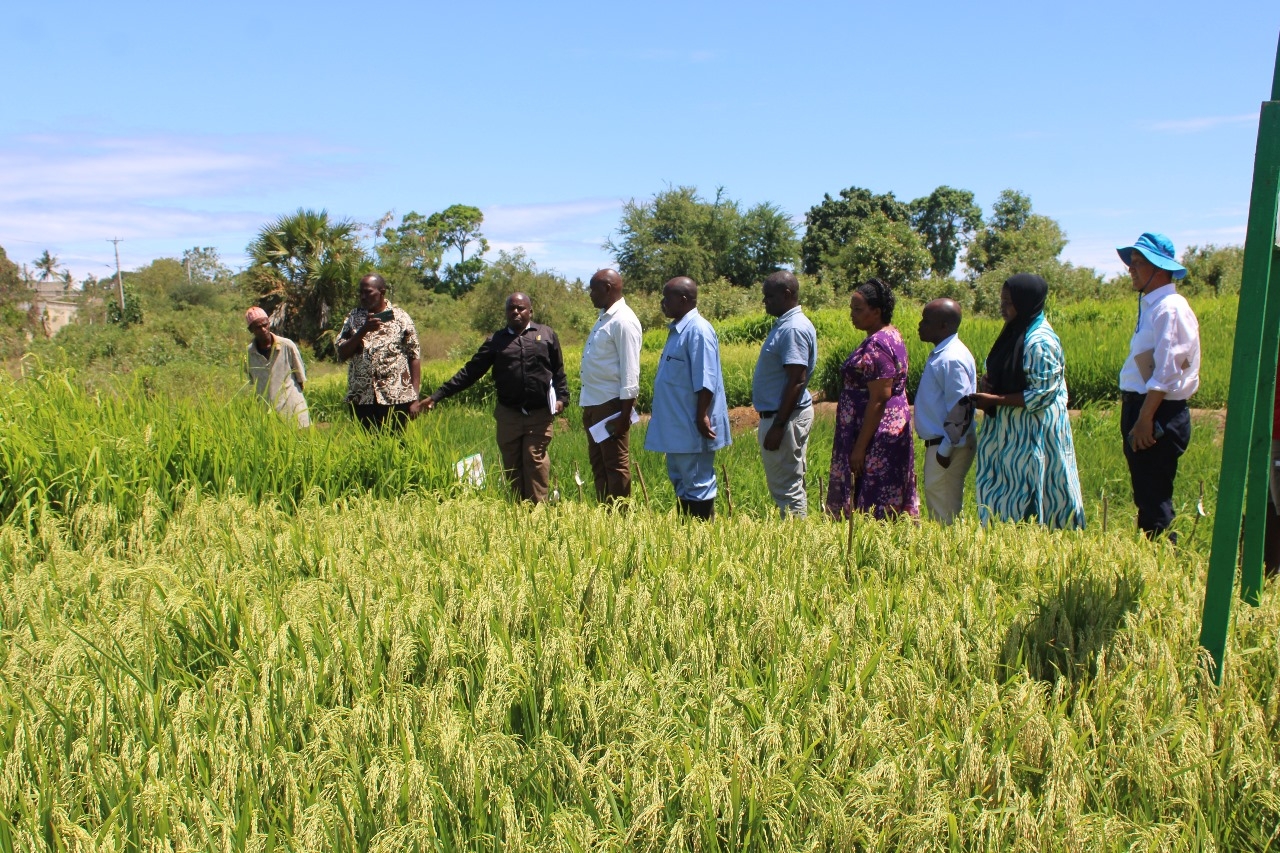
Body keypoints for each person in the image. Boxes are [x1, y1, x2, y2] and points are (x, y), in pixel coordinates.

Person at [416, 292, 569, 504]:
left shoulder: (546, 335)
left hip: (539, 413)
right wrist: (437, 396)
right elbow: (470, 372)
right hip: (509, 414)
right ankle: (517, 510)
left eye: (521, 308)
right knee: (512, 463)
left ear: (530, 311)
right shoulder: (496, 341)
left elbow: (558, 371)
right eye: (511, 308)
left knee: (534, 458)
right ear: (506, 312)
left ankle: (538, 511)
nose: (516, 312)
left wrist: (562, 398)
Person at [970, 273, 1084, 529]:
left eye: (1009, 302)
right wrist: (990, 383)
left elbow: (1041, 394)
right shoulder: (1015, 331)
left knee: (1033, 495)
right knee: (1005, 496)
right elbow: (1007, 370)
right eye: (1002, 301)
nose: (1003, 307)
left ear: (1026, 302)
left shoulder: (1040, 341)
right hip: (1010, 435)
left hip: (1034, 434)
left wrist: (995, 399)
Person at [1116, 232, 1200, 542]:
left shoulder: (1169, 308)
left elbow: (1166, 371)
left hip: (1156, 412)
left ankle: (1164, 561)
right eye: (1132, 262)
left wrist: (1145, 419)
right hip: (1146, 409)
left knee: (1155, 501)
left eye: (1139, 262)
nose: (1131, 269)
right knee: (1147, 496)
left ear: (1160, 268)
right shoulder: (1154, 306)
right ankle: (1154, 559)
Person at [825, 278, 918, 519]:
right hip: (884, 426)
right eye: (851, 309)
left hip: (875, 433)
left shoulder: (877, 344)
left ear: (876, 312)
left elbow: (879, 398)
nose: (852, 315)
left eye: (858, 309)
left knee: (874, 502)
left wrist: (859, 448)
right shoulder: (891, 335)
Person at [644, 276, 731, 520]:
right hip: (676, 428)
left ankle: (702, 535)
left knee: (698, 482)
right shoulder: (678, 330)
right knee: (682, 482)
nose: (662, 303)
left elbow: (707, 378)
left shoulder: (698, 331)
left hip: (692, 426)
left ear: (683, 300)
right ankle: (687, 534)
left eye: (667, 298)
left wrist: (702, 415)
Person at [751, 270, 817, 517]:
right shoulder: (789, 325)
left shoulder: (793, 329)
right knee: (790, 483)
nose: (765, 301)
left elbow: (796, 380)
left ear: (787, 294)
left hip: (784, 418)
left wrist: (778, 426)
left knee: (786, 489)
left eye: (769, 296)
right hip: (785, 416)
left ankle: (794, 537)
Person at [579, 269, 643, 503]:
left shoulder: (623, 321)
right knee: (599, 463)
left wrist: (624, 415)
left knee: (615, 465)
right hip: (594, 402)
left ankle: (620, 515)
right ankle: (605, 513)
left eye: (593, 289)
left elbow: (630, 371)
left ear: (607, 289)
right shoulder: (604, 318)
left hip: (611, 405)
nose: (590, 294)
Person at [914, 298, 977, 524]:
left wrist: (944, 451)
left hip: (947, 446)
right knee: (942, 507)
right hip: (944, 444)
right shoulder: (944, 354)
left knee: (943, 515)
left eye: (926, 321)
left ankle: (949, 548)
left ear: (944, 326)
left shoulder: (951, 359)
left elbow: (961, 407)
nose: (920, 325)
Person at [335, 274, 421, 431]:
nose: (363, 297)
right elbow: (341, 352)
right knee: (366, 443)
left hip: (396, 397)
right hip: (362, 398)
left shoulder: (401, 317)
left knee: (396, 442)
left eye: (368, 292)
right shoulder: (353, 318)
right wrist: (363, 330)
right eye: (360, 292)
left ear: (382, 292)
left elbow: (414, 355)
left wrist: (415, 397)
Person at [244, 306, 311, 427]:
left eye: (265, 325)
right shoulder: (249, 354)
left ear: (269, 323)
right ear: (251, 330)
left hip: (294, 411)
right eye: (258, 327)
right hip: (269, 414)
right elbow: (253, 383)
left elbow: (300, 379)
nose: (263, 329)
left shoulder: (287, 346)